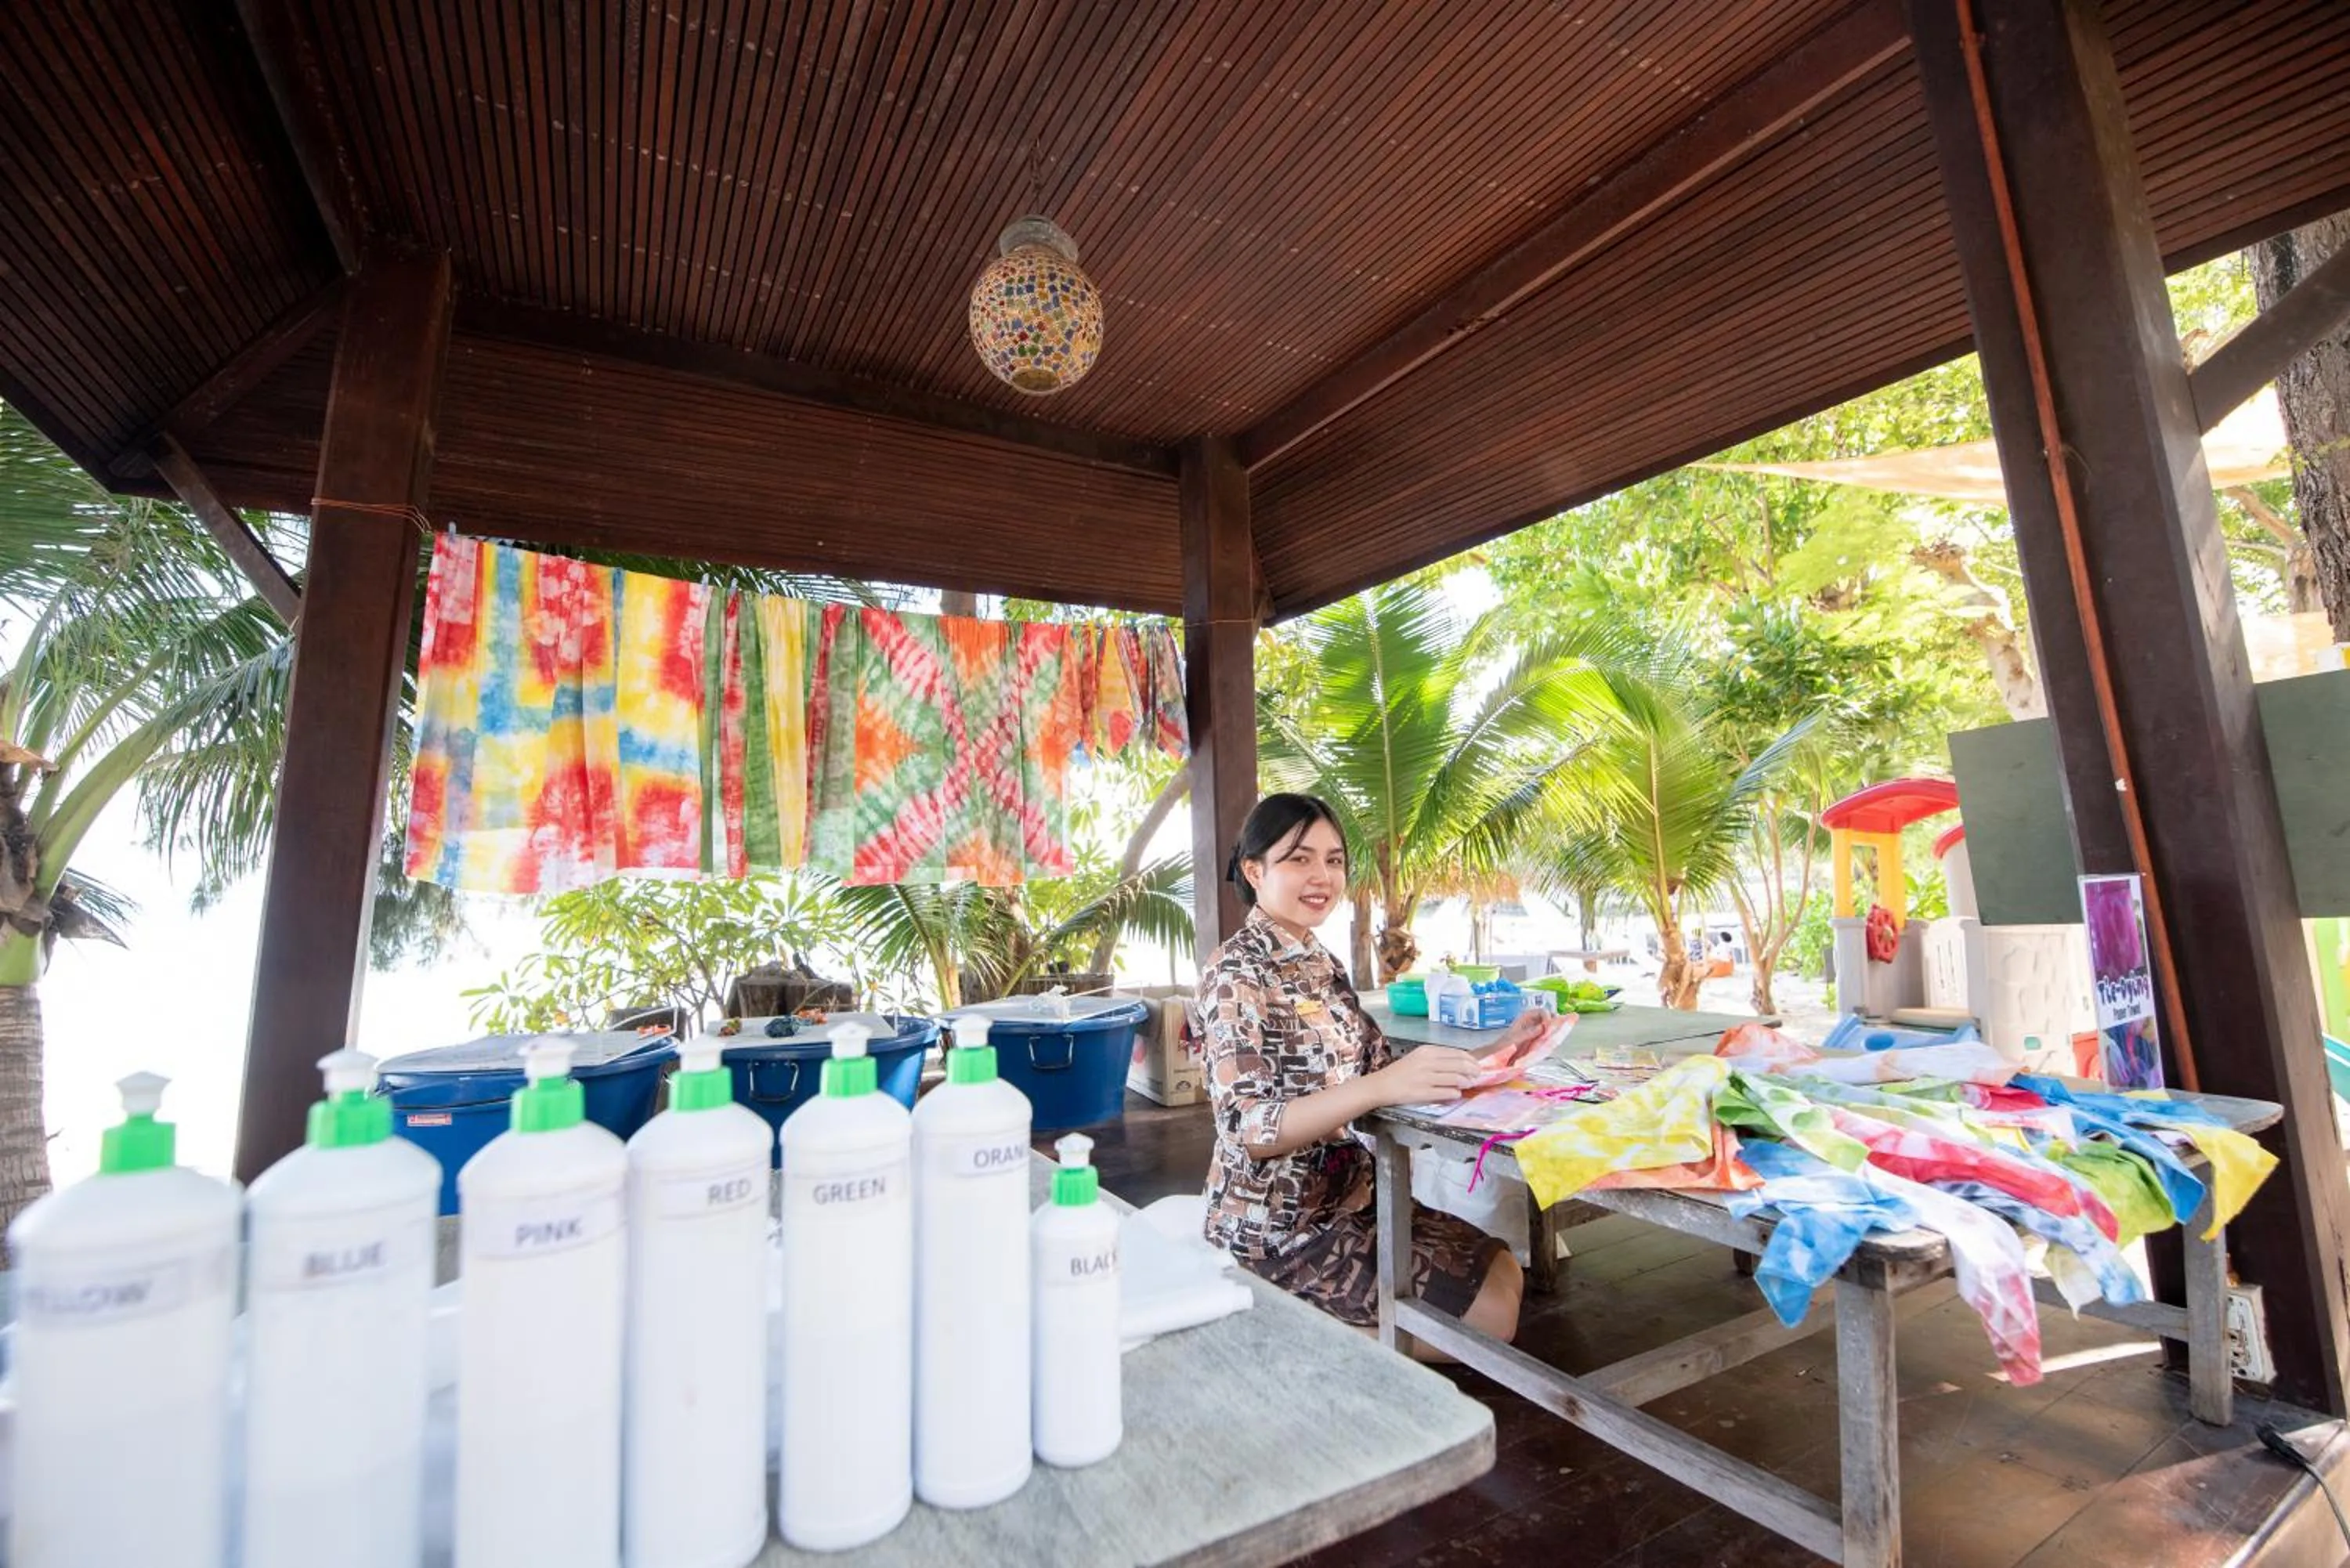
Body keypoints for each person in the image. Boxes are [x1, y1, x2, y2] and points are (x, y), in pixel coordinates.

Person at [1195, 793, 1528, 1353]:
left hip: (1354, 1202)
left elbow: (1383, 1067)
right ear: (1255, 871)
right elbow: (1250, 1128)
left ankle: (1324, 1332)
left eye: (1334, 859)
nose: (1321, 875)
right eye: (1299, 859)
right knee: (1494, 1322)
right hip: (1279, 1225)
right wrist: (1379, 1087)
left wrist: (1504, 1049)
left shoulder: (1319, 961)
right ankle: (1279, 1335)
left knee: (1505, 1267)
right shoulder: (1235, 971)